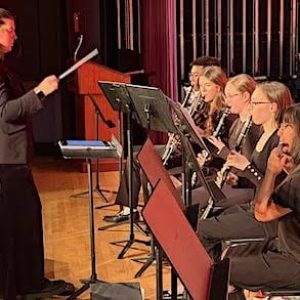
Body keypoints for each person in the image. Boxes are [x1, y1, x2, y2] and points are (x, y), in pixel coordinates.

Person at [0, 8, 74, 300]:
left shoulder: (4, 65)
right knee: (19, 226)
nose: (15, 35)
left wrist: (37, 91)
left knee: (25, 223)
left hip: (12, 159)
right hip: (6, 161)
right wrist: (40, 91)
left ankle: (29, 283)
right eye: (9, 30)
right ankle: (26, 286)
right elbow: (5, 112)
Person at [104, 57, 222, 224]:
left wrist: (190, 131)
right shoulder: (195, 97)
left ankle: (155, 217)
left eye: (197, 75)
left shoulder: (213, 104)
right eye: (192, 75)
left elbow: (204, 138)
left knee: (149, 162)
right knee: (139, 156)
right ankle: (129, 209)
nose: (192, 79)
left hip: (193, 154)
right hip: (183, 148)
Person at [196, 81, 293, 263]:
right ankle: (221, 276)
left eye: (255, 103)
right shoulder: (260, 134)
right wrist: (226, 167)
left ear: (272, 107)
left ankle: (214, 281)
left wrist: (247, 168)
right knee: (211, 216)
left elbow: (276, 192)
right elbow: (251, 172)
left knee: (204, 229)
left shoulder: (279, 143)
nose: (251, 108)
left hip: (269, 218)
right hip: (254, 207)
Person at [228, 103, 300, 299]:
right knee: (231, 256)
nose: (279, 132)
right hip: (284, 245)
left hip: (294, 259)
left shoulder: (297, 180)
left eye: (287, 126)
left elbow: (262, 213)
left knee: (222, 272)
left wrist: (271, 170)